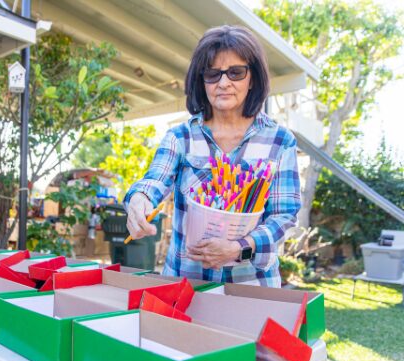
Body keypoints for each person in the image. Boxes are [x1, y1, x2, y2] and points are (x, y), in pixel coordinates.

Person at [124, 25, 301, 288]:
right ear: (201, 80)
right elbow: (154, 181)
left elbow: (284, 215)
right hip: (185, 285)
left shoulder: (280, 141)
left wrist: (239, 247)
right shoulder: (180, 138)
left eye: (236, 72)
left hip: (252, 286)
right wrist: (138, 201)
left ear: (252, 78)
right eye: (212, 74)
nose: (224, 83)